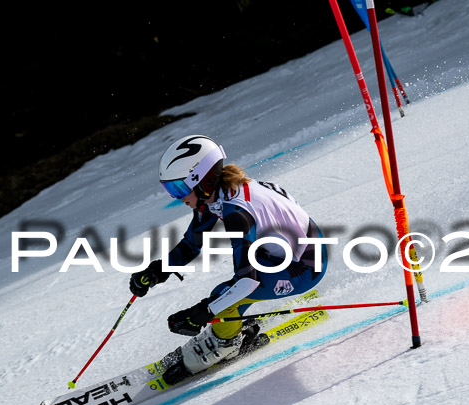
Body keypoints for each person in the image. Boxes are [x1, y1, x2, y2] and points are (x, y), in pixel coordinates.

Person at [129, 135, 328, 385]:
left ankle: (227, 344)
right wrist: (158, 271)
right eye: (171, 190)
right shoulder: (218, 196)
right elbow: (193, 243)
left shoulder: (236, 212)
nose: (177, 198)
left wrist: (204, 311)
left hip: (304, 268)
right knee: (228, 293)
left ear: (203, 181)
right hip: (283, 252)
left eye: (179, 188)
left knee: (224, 294)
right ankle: (233, 327)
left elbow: (247, 282)